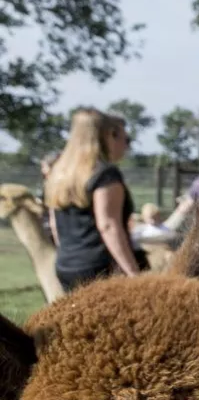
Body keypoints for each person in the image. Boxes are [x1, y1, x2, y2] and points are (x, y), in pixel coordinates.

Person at [44, 108, 147, 291]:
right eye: (123, 138)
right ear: (107, 135)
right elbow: (107, 225)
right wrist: (133, 273)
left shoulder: (60, 173)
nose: (126, 145)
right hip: (100, 269)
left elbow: (54, 225)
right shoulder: (105, 174)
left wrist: (70, 256)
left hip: (66, 266)